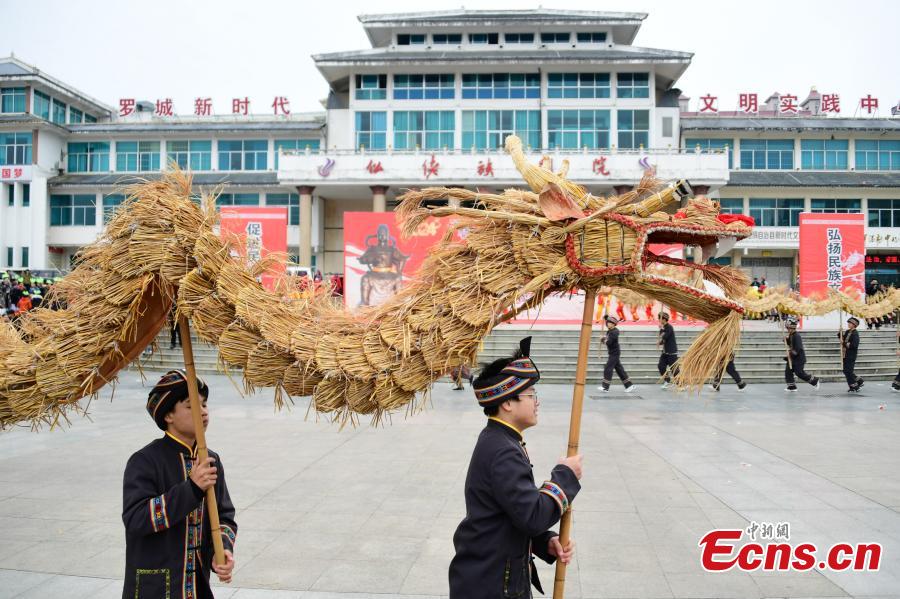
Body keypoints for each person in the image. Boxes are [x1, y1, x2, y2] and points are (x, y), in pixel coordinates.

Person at [449, 337, 581, 598]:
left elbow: (512, 513)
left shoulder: (501, 440)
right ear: (507, 403)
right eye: (531, 395)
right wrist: (565, 476)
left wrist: (545, 542)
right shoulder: (502, 450)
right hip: (490, 584)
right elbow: (532, 516)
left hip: (492, 576)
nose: (537, 402)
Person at [122, 370, 238, 599]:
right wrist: (192, 488)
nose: (203, 412)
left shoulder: (210, 460)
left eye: (204, 404)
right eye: (191, 405)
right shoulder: (145, 461)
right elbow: (136, 519)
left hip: (197, 587)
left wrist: (221, 548)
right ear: (168, 415)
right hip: (155, 588)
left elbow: (225, 517)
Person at [598, 315, 635, 393]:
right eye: (607, 323)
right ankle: (629, 385)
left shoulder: (615, 332)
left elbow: (609, 342)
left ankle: (605, 387)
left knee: (608, 368)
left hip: (614, 353)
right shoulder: (610, 331)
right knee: (620, 370)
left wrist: (602, 339)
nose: (608, 324)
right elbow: (607, 340)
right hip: (612, 353)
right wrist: (606, 318)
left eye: (610, 323)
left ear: (614, 324)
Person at [783, 318, 820, 392]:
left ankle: (815, 380)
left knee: (799, 373)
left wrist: (790, 353)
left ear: (792, 328)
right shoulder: (791, 335)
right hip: (792, 358)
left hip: (799, 358)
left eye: (788, 328)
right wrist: (786, 340)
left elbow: (798, 349)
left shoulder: (797, 336)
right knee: (788, 371)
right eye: (787, 328)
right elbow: (790, 344)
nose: (787, 329)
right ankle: (792, 386)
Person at [840, 317, 863, 392]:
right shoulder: (847, 331)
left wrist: (844, 343)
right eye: (848, 323)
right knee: (845, 370)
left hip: (851, 355)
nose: (848, 324)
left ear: (854, 325)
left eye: (850, 323)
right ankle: (859, 381)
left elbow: (854, 345)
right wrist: (839, 333)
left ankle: (855, 386)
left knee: (848, 371)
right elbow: (843, 338)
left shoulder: (855, 334)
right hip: (845, 354)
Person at [657, 312, 678, 389]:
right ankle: (667, 380)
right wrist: (660, 342)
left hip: (671, 352)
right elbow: (661, 337)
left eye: (660, 318)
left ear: (664, 319)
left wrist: (661, 330)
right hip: (665, 352)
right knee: (661, 366)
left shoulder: (669, 327)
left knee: (674, 369)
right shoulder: (663, 327)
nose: (659, 320)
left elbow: (665, 336)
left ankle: (680, 383)